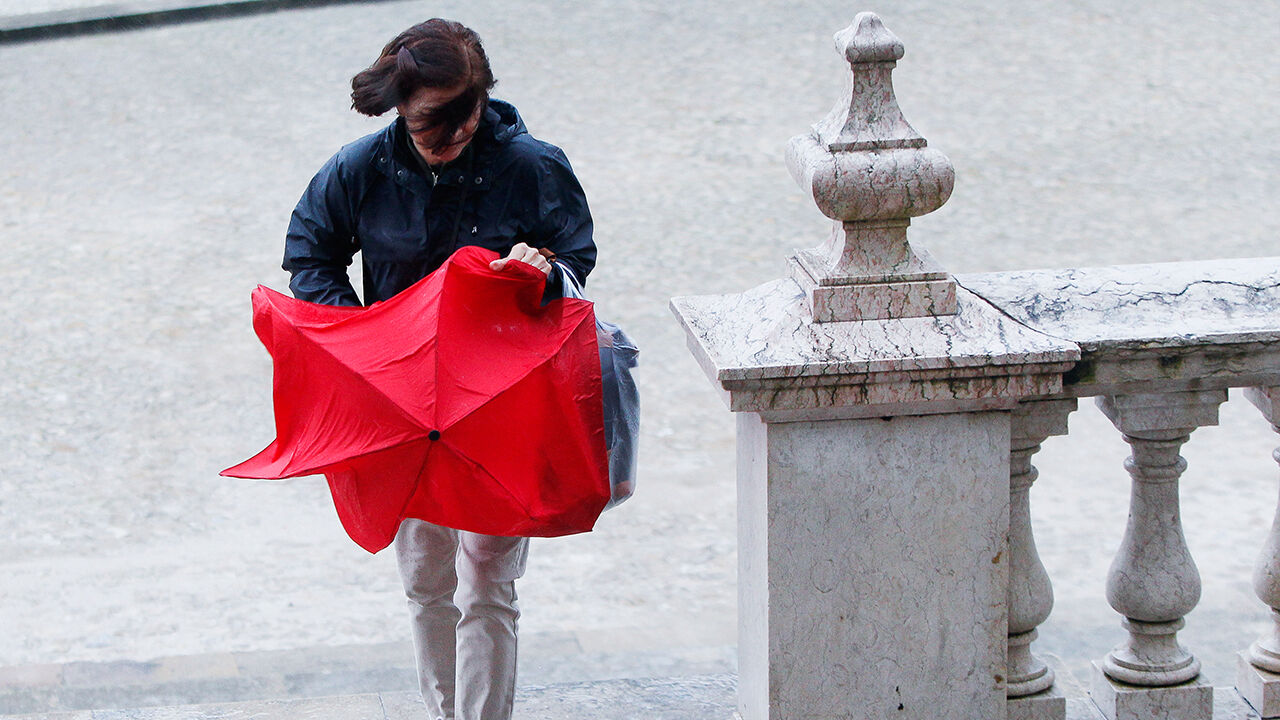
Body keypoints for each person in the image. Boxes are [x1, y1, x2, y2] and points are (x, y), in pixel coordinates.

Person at [281, 18, 596, 720]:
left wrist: (540, 272)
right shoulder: (360, 168)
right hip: (401, 408)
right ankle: (444, 712)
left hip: (500, 404)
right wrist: (367, 335)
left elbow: (575, 255)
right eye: (433, 120)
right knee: (426, 578)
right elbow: (309, 254)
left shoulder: (531, 165)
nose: (453, 132)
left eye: (464, 111)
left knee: (488, 577)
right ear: (398, 105)